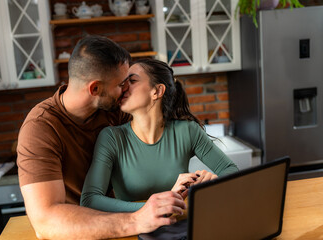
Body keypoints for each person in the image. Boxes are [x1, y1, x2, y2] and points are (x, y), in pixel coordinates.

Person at [17, 36, 186, 239]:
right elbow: (45, 221)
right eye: (122, 84)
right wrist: (136, 220)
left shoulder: (116, 109)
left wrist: (186, 182)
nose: (126, 89)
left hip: (135, 227)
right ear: (95, 89)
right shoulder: (40, 128)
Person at [81, 58, 239, 212]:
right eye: (123, 82)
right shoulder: (112, 138)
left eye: (132, 81)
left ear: (156, 91)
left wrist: (212, 183)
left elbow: (230, 170)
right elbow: (89, 199)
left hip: (179, 226)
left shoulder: (188, 131)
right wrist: (157, 205)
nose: (123, 87)